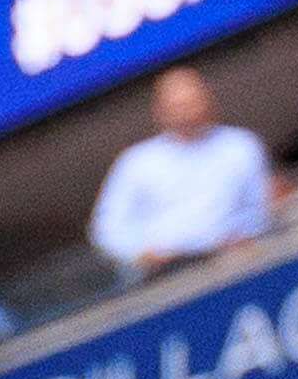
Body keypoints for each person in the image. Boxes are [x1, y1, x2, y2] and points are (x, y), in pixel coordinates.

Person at [87, 65, 274, 281]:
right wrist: (143, 253)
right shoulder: (136, 162)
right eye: (178, 106)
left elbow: (259, 209)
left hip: (233, 265)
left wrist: (243, 236)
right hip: (163, 277)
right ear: (160, 110)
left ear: (207, 101)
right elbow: (107, 229)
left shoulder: (240, 145)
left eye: (192, 102)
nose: (186, 112)